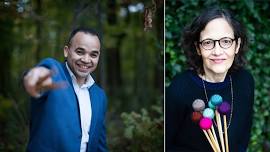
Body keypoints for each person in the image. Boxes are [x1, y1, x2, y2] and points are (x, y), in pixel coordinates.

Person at [165, 7, 254, 152]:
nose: (217, 51)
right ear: (198, 48)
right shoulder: (178, 90)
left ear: (237, 45)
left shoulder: (245, 81)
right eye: (208, 42)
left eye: (226, 41)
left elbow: (243, 136)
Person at [23, 27, 108, 152]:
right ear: (66, 51)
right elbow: (41, 73)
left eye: (93, 54)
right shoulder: (54, 72)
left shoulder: (100, 96)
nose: (86, 59)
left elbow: (100, 144)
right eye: (80, 52)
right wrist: (34, 76)